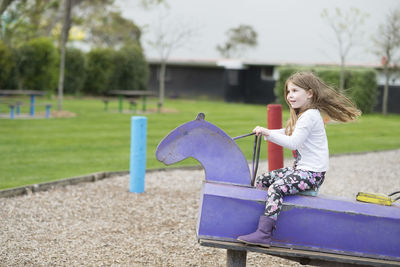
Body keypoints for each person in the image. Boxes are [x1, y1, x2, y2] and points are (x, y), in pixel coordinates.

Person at [237, 71, 361, 248]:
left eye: (295, 91)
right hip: (301, 171)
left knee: (276, 187)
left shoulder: (309, 116)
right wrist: (266, 131)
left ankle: (264, 234)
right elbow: (289, 132)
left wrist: (269, 134)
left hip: (312, 175)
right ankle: (261, 220)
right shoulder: (305, 114)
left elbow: (293, 142)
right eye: (288, 91)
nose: (290, 96)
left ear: (309, 93)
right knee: (264, 179)